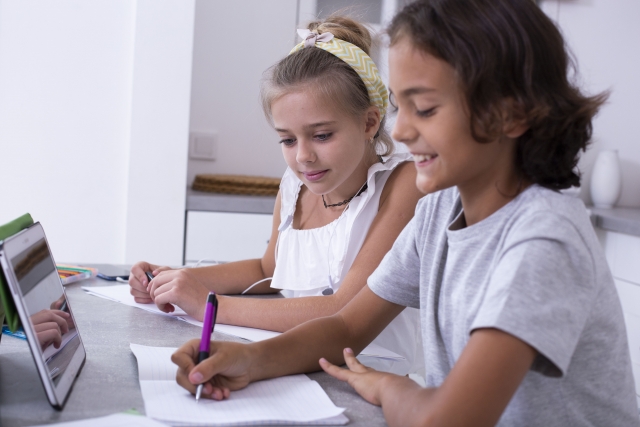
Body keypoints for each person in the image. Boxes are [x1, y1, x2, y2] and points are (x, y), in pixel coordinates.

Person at [170, 0, 640, 425]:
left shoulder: (544, 240)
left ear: (512, 115)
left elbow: (446, 420)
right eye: (401, 105)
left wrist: (391, 388)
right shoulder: (438, 211)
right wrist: (249, 361)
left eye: (426, 109)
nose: (401, 130)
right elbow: (348, 325)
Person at [129, 16, 425, 375]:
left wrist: (209, 304)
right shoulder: (295, 185)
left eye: (322, 135)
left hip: (371, 376)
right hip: (295, 364)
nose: (303, 156)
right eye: (287, 139)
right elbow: (268, 270)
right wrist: (175, 279)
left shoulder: (403, 183)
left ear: (369, 123)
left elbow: (343, 309)